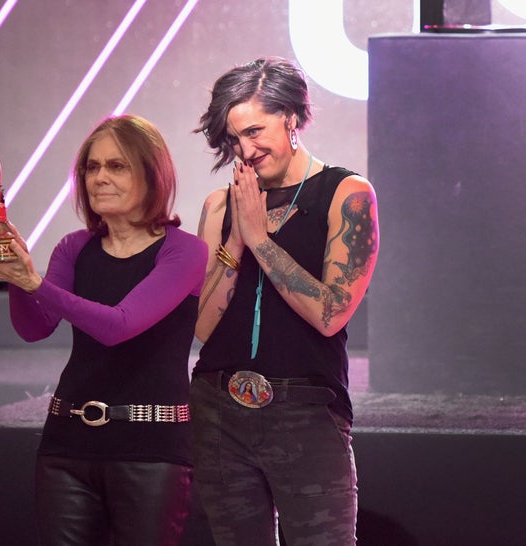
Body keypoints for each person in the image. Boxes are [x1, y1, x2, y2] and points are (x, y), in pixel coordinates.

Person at [0, 114, 208, 546]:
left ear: (153, 175)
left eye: (117, 166)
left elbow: (119, 325)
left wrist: (33, 282)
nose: (99, 178)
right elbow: (35, 328)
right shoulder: (74, 247)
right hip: (66, 448)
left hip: (150, 451)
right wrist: (15, 278)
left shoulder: (184, 252)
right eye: (92, 168)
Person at [190, 56, 379, 545]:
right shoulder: (218, 205)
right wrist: (234, 240)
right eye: (234, 140)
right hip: (219, 407)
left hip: (307, 411)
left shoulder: (346, 193)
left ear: (291, 118)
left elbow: (330, 314)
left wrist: (260, 239)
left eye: (255, 132)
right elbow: (202, 327)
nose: (245, 150)